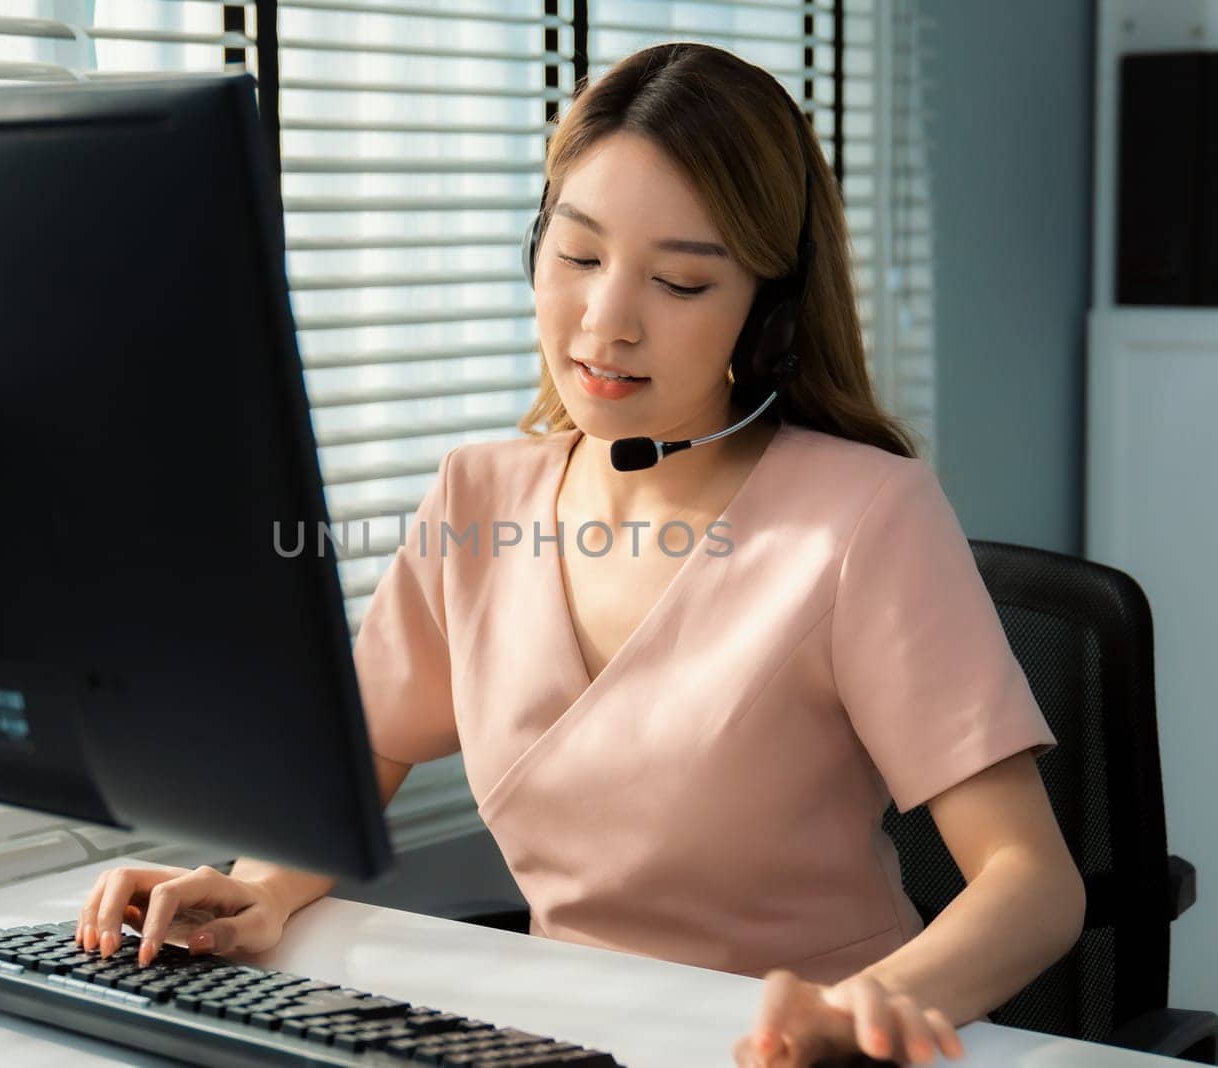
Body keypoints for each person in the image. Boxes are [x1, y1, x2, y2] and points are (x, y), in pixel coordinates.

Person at [75, 43, 1086, 1068]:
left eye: (680, 282)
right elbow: (350, 773)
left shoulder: (864, 516)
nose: (607, 324)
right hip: (558, 1042)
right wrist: (260, 887)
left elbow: (1032, 884)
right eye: (579, 255)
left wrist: (866, 1010)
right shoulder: (479, 497)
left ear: (766, 316)